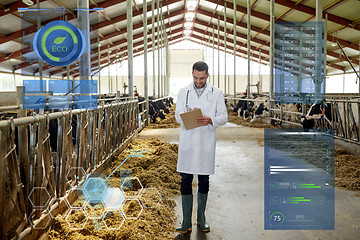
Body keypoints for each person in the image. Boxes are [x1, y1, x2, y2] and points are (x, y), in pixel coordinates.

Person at [174, 61, 228, 233]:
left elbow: (224, 117)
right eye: (196, 78)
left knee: (204, 180)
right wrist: (190, 116)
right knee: (185, 180)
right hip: (188, 143)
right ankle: (186, 221)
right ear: (192, 74)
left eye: (202, 78)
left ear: (207, 75)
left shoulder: (217, 93)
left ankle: (201, 219)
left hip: (206, 141)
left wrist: (210, 120)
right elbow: (177, 117)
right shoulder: (184, 92)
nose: (198, 81)